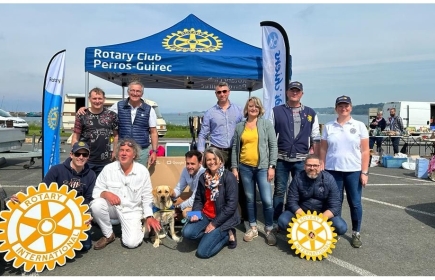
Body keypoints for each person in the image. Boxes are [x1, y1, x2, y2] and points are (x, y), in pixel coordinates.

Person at [10, 141, 96, 252]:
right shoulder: (57, 170)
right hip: (52, 214)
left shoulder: (91, 175)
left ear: (88, 157)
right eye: (77, 154)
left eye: (84, 155)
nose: (81, 157)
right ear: (71, 155)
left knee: (85, 246)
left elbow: (88, 199)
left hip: (75, 214)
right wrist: (23, 195)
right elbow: (42, 189)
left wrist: (86, 215)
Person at [90, 138, 161, 250]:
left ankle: (138, 225)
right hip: (113, 208)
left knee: (131, 243)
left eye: (128, 150)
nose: (123, 153)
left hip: (132, 211)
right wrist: (106, 193)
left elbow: (147, 197)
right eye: (121, 150)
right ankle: (108, 235)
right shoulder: (108, 169)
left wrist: (149, 216)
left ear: (134, 154)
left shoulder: (142, 171)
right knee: (96, 204)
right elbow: (96, 191)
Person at [268, 81, 321, 228]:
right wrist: (271, 162)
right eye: (292, 90)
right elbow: (270, 137)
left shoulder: (310, 113)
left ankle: (300, 219)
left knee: (301, 191)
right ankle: (276, 220)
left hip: (302, 161)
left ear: (302, 93)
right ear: (287, 92)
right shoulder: (276, 111)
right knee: (279, 190)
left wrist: (316, 159)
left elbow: (316, 137)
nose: (295, 93)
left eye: (297, 91)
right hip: (281, 159)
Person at [319, 95, 370, 248]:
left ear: (351, 107)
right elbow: (323, 148)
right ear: (336, 108)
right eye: (340, 106)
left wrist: (364, 172)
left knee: (355, 203)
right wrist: (322, 164)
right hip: (332, 171)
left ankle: (356, 233)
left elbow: (365, 151)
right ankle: (336, 231)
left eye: (346, 105)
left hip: (353, 171)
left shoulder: (360, 126)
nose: (343, 108)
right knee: (335, 203)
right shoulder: (328, 126)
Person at [196, 82, 248, 229]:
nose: (222, 94)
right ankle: (218, 216)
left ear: (229, 92)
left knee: (240, 183)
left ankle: (243, 216)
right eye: (219, 92)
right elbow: (203, 133)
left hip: (235, 151)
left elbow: (247, 129)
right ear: (216, 94)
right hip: (217, 151)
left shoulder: (238, 110)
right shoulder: (210, 112)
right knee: (217, 185)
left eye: (224, 91)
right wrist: (201, 153)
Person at [77, 81, 159, 168]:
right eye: (132, 90)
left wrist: (154, 151)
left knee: (139, 176)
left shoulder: (149, 110)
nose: (135, 93)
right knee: (121, 177)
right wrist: (85, 109)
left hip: (141, 151)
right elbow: (101, 111)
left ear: (142, 93)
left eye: (138, 91)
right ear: (128, 92)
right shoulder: (118, 106)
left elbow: (153, 132)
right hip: (123, 150)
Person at [231, 97, 278, 246]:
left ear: (260, 109)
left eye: (256, 106)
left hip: (263, 167)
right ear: (247, 108)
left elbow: (273, 146)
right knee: (249, 199)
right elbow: (235, 148)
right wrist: (234, 167)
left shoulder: (266, 124)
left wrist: (272, 166)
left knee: (266, 200)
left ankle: (269, 229)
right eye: (251, 106)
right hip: (245, 167)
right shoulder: (240, 126)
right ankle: (253, 227)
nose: (253, 108)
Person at [182, 147, 240, 259]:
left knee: (202, 253)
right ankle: (210, 235)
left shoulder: (228, 177)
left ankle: (227, 234)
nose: (212, 162)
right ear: (205, 162)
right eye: (208, 159)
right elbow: (198, 199)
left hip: (223, 218)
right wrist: (196, 213)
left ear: (221, 160)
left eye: (214, 159)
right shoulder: (203, 177)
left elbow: (231, 206)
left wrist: (214, 224)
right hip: (205, 214)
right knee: (186, 232)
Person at [277, 154, 347, 237]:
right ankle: (300, 233)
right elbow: (291, 202)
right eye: (309, 165)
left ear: (320, 166)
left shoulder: (329, 179)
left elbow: (335, 206)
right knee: (282, 221)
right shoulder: (298, 178)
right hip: (301, 213)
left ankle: (322, 232)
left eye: (315, 165)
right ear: (304, 166)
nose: (312, 168)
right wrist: (305, 221)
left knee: (341, 227)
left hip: (322, 214)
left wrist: (318, 222)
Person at [72, 87, 119, 177]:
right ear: (89, 99)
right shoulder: (82, 115)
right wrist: (75, 154)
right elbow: (75, 137)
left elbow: (116, 136)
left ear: (104, 99)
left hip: (105, 160)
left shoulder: (112, 116)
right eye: (94, 98)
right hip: (85, 159)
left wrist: (115, 152)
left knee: (103, 187)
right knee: (84, 186)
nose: (97, 101)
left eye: (100, 98)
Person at [170, 150, 206, 219]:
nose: (189, 167)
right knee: (172, 202)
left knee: (185, 213)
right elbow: (179, 188)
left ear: (200, 163)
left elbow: (194, 199)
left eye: (192, 164)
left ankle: (202, 220)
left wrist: (178, 207)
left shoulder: (203, 174)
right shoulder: (185, 170)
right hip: (195, 200)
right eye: (187, 163)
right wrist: (170, 193)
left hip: (203, 204)